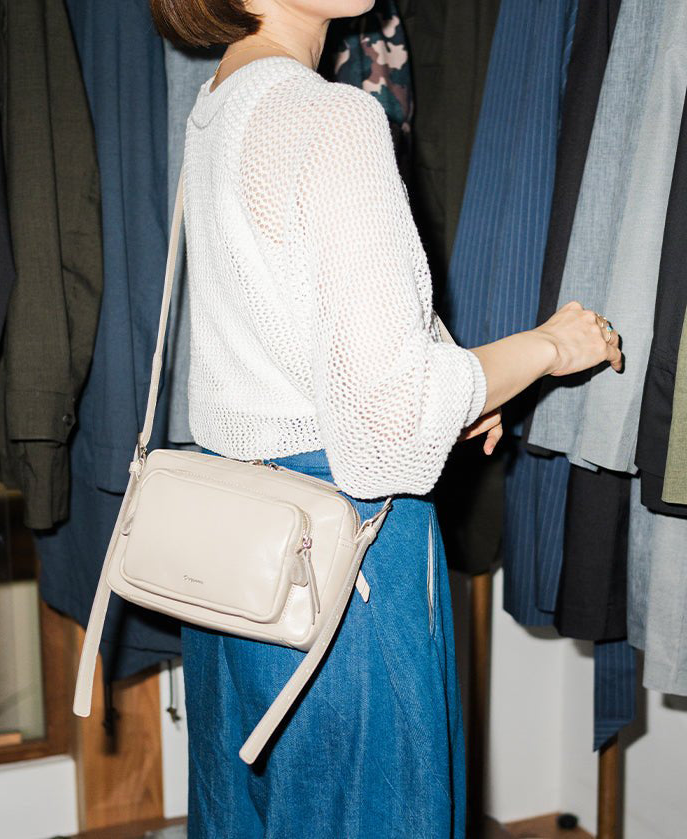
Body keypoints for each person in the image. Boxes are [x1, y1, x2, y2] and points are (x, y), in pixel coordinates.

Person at [149, 2, 623, 836]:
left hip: (240, 561)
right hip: (345, 570)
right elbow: (388, 431)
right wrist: (549, 347)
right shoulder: (332, 115)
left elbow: (288, 338)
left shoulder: (218, 103)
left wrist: (455, 379)